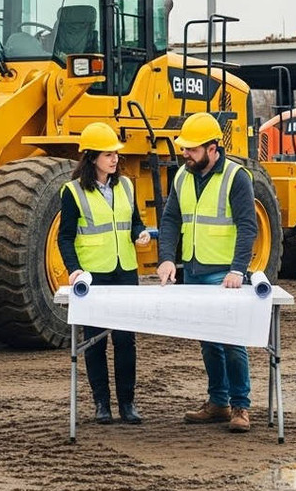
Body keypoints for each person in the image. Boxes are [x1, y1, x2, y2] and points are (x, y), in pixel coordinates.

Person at [156, 112, 259, 433]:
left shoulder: (235, 177)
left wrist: (238, 269)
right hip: (195, 272)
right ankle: (218, 402)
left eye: (192, 149)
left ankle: (241, 406)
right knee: (209, 342)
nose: (185, 154)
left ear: (213, 148)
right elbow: (171, 220)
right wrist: (166, 259)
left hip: (224, 276)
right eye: (184, 148)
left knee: (231, 341)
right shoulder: (183, 176)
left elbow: (247, 226)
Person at [58, 122, 152, 425]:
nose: (114, 159)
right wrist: (74, 270)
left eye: (115, 154)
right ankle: (102, 404)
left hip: (125, 271)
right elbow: (65, 236)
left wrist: (140, 233)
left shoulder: (126, 185)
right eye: (108, 154)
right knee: (95, 340)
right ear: (91, 158)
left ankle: (127, 403)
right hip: (93, 275)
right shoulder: (72, 192)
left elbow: (135, 221)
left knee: (126, 340)